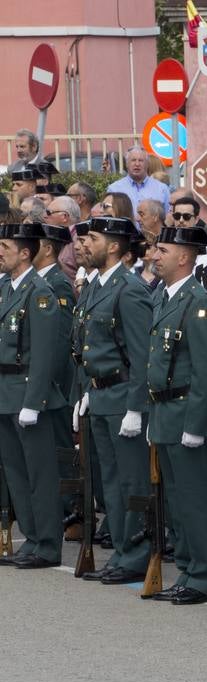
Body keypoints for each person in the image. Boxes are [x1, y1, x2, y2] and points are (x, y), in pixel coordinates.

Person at [141, 224, 207, 603]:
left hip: (186, 412)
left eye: (163, 250)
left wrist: (197, 425)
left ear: (184, 257)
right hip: (164, 412)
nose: (155, 255)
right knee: (175, 499)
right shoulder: (163, 297)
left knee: (194, 498)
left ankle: (203, 575)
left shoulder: (199, 303)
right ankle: (188, 570)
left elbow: (206, 371)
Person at [72, 216, 153, 585]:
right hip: (101, 394)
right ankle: (121, 549)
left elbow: (140, 354)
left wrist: (136, 406)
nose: (85, 245)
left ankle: (135, 551)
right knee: (110, 481)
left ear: (116, 246)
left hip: (123, 398)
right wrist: (87, 391)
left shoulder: (130, 288)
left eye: (93, 238)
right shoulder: (94, 287)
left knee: (130, 480)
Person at [0, 223, 67, 567]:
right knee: (16, 472)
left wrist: (33, 402)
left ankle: (47, 544)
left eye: (5, 246)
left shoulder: (39, 293)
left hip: (26, 393)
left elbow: (44, 354)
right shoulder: (4, 288)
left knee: (39, 474)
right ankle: (30, 537)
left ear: (25, 253)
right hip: (3, 392)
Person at [107, 148, 170, 217]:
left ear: (147, 164)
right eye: (133, 160)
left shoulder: (162, 189)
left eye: (141, 160)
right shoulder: (114, 189)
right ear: (127, 164)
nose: (137, 164)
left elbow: (167, 217)